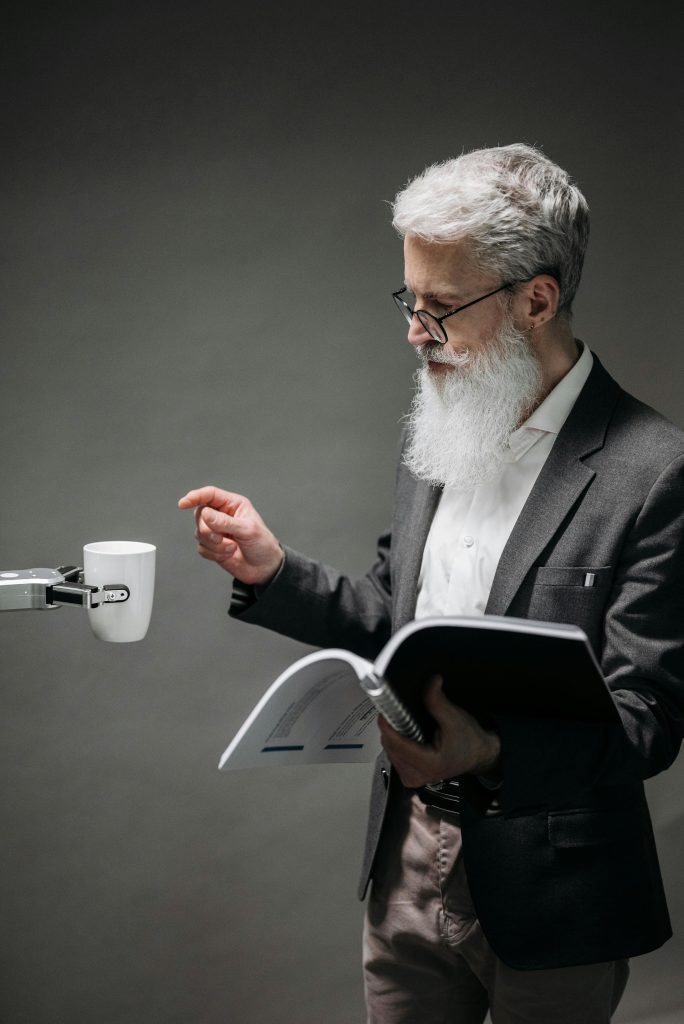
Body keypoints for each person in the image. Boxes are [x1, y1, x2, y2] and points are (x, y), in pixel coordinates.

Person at [179, 144, 684, 1023]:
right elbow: (399, 623)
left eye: (442, 307)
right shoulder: (449, 415)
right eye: (409, 301)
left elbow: (648, 721)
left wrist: (486, 753)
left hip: (559, 892)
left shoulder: (656, 470)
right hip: (404, 864)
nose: (416, 331)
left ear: (537, 299)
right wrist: (273, 569)